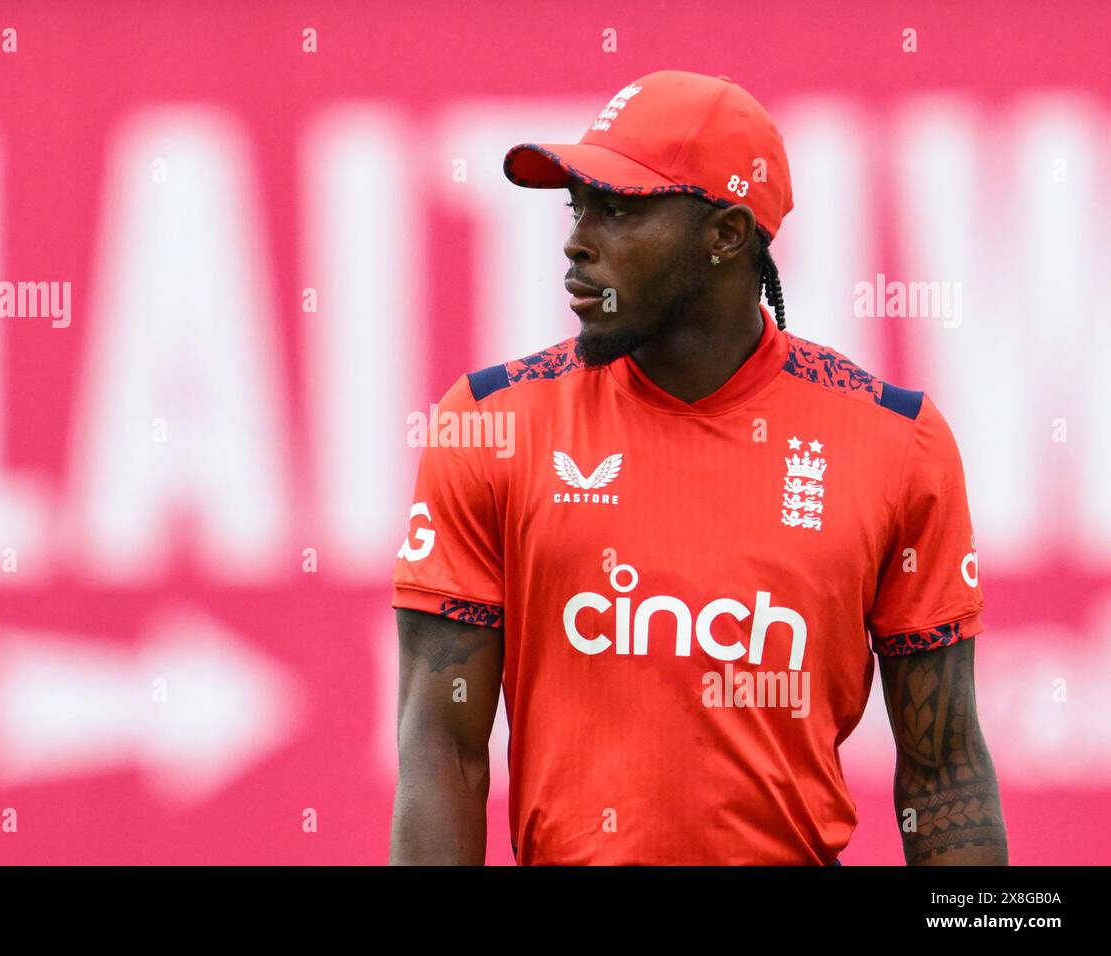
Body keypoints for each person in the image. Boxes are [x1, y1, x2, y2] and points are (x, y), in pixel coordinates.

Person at [389, 70, 1007, 865]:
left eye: (618, 210)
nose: (577, 241)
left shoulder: (896, 441)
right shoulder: (490, 423)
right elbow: (443, 748)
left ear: (726, 235)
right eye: (577, 208)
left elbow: (943, 773)